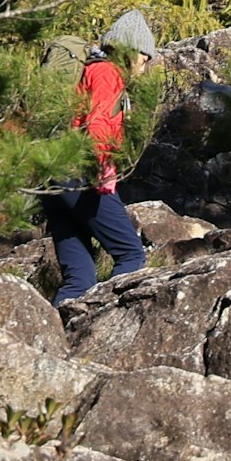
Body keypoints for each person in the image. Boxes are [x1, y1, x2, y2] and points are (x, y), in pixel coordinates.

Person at [51, 40, 149, 307]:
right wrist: (105, 167)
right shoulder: (107, 71)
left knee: (79, 279)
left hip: (52, 176)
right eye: (144, 57)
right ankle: (108, 325)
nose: (145, 65)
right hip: (81, 172)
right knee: (130, 254)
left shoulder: (90, 68)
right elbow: (98, 120)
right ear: (130, 51)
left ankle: (55, 341)